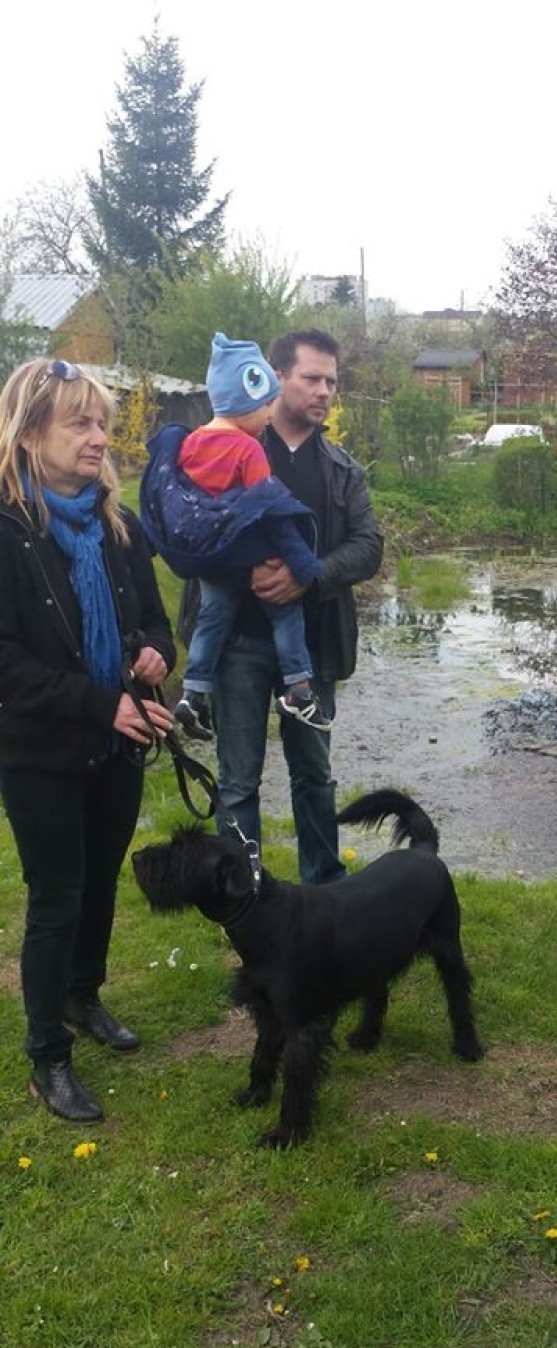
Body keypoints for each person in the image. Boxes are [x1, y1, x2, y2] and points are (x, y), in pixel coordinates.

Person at [0, 357, 176, 1122]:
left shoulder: (117, 524)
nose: (99, 438)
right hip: (37, 750)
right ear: (30, 432)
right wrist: (100, 703)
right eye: (80, 422)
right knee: (56, 898)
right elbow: (8, 665)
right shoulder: (8, 532)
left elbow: (154, 618)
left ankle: (83, 998)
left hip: (116, 738)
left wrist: (152, 654)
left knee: (100, 881)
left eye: (102, 422)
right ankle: (49, 1057)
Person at [207, 328, 383, 883]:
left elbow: (368, 546)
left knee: (315, 776)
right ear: (277, 377)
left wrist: (309, 578)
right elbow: (188, 532)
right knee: (238, 782)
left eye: (331, 380)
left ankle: (325, 891)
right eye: (311, 378)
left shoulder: (342, 467)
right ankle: (241, 896)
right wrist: (249, 569)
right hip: (237, 643)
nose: (324, 391)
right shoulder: (228, 453)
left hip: (315, 648)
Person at [171, 332, 330, 741]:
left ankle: (193, 692)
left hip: (210, 557)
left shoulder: (190, 444)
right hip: (248, 551)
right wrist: (303, 563)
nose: (268, 416)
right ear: (249, 400)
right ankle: (298, 687)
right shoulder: (249, 449)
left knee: (211, 618)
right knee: (286, 614)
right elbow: (270, 508)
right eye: (265, 406)